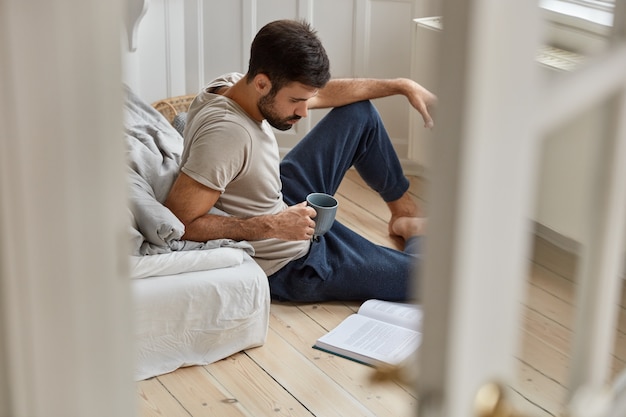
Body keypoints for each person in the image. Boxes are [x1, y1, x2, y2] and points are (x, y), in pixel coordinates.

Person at [164, 19, 436, 302]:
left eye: (307, 99)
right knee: (430, 278)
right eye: (296, 100)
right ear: (262, 83)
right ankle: (411, 230)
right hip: (291, 261)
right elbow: (181, 223)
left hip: (281, 198)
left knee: (360, 114)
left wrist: (402, 86)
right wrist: (273, 225)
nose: (305, 112)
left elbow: (326, 94)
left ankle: (403, 212)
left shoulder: (231, 84)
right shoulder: (227, 136)